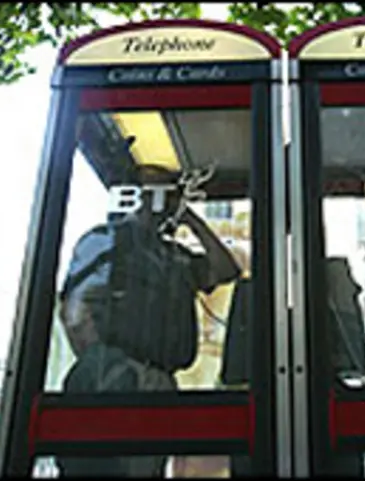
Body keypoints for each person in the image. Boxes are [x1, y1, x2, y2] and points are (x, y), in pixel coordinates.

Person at [56, 164, 241, 477]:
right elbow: (76, 310)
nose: (160, 202)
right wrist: (106, 364)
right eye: (156, 192)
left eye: (167, 195)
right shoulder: (106, 241)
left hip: (159, 379)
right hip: (113, 372)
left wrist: (190, 219)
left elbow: (226, 270)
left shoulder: (174, 256)